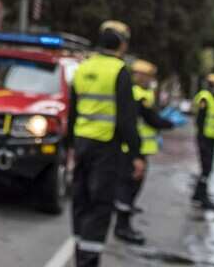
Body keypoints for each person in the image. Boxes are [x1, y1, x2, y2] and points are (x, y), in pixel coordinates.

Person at [70, 20, 141, 266]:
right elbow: (126, 119)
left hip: (82, 144)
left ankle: (80, 250)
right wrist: (136, 154)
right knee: (100, 203)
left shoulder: (82, 68)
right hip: (106, 147)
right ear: (121, 44)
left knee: (81, 199)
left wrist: (70, 146)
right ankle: (89, 259)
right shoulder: (119, 71)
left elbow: (72, 111)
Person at [113, 58, 174, 245]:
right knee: (129, 187)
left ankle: (124, 218)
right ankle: (122, 226)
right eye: (147, 76)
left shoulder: (136, 93)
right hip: (133, 149)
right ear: (138, 75)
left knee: (129, 187)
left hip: (133, 148)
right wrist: (169, 123)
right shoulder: (138, 95)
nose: (150, 80)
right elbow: (151, 120)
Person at [190, 73, 214, 210]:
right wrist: (203, 140)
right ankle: (202, 197)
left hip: (210, 139)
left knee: (207, 169)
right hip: (204, 139)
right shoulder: (205, 98)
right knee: (206, 169)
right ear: (212, 86)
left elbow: (213, 122)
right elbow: (200, 120)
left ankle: (198, 195)